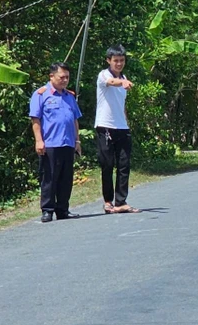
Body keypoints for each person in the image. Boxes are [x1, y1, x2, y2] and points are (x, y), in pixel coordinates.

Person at [29, 62, 82, 223]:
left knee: (66, 178)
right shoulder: (41, 94)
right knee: (49, 178)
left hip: (67, 143)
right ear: (51, 76)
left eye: (67, 77)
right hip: (50, 143)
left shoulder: (69, 96)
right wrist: (39, 141)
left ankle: (63, 209)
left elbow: (74, 120)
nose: (65, 80)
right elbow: (35, 119)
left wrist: (77, 140)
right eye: (61, 77)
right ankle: (48, 210)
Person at [95, 45, 140, 214]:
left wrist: (126, 122)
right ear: (109, 61)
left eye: (122, 60)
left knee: (124, 165)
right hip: (105, 126)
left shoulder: (124, 77)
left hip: (122, 127)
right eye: (116, 61)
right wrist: (122, 82)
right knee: (107, 164)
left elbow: (121, 105)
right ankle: (108, 201)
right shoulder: (104, 75)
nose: (119, 64)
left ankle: (121, 201)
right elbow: (111, 83)